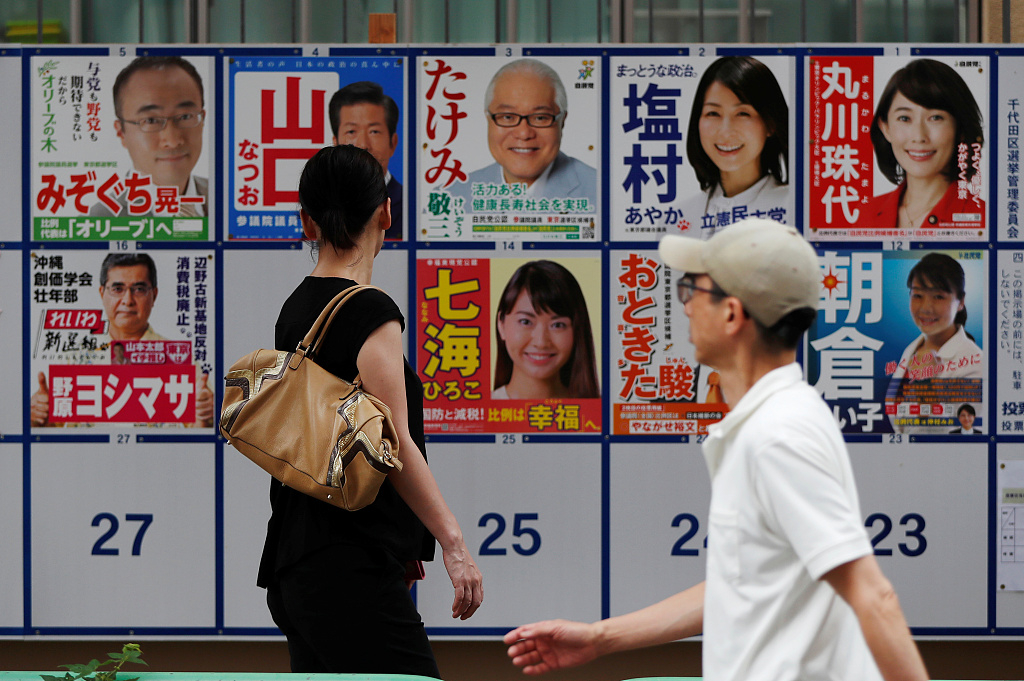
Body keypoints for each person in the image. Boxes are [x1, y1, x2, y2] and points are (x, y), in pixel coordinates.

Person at [505, 219, 928, 681]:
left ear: (731, 313)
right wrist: (601, 638)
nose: (685, 307)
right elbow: (742, 583)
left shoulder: (777, 433)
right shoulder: (769, 421)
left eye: (694, 290)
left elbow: (873, 596)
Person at [258, 145, 483, 675]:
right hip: (349, 568)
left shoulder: (298, 308)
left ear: (306, 220)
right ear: (386, 211)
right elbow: (395, 443)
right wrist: (454, 545)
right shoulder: (369, 310)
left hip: (297, 561)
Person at [30, 252, 213, 428]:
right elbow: (48, 433)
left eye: (139, 289)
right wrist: (39, 415)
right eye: (118, 289)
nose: (128, 300)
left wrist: (205, 416)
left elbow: (200, 434)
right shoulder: (75, 359)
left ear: (154, 295)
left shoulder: (180, 361)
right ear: (102, 293)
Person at [453, 59, 596, 206]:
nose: (524, 134)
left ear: (562, 121)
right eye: (508, 117)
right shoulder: (452, 197)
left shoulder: (604, 192)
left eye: (540, 118)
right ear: (488, 119)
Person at [864, 59, 985, 231]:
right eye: (904, 118)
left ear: (960, 130)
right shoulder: (864, 216)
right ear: (885, 128)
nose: (919, 137)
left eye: (935, 118)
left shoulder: (985, 220)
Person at [676, 56, 789, 238]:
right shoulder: (679, 216)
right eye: (713, 113)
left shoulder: (795, 208)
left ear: (770, 124)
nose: (725, 131)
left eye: (742, 113)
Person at [90, 56, 207, 218]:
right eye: (151, 121)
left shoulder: (232, 200)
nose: (172, 141)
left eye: (186, 116)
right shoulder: (97, 222)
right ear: (121, 132)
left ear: (203, 120)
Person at [886, 252, 983, 434]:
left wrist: (926, 383)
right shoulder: (914, 347)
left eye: (938, 297)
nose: (925, 308)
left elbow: (964, 434)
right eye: (917, 296)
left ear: (960, 301)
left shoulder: (975, 363)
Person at [493, 260, 599, 400]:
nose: (541, 342)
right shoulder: (476, 412)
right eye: (525, 322)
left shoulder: (600, 413)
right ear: (501, 324)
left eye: (557, 325)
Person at [329, 81, 403, 239]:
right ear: (335, 144)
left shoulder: (410, 205)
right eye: (351, 131)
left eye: (374, 131)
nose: (363, 145)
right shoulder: (322, 207)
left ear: (393, 143)